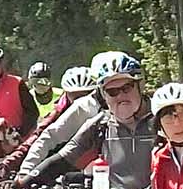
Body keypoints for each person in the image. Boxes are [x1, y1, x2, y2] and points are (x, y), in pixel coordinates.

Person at [20, 53, 158, 189]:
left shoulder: (164, 120)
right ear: (102, 94)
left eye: (126, 88)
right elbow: (62, 159)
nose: (120, 97)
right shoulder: (101, 123)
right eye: (112, 92)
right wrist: (23, 181)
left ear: (140, 85)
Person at [14, 50, 124, 180]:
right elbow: (48, 137)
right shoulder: (83, 106)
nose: (79, 100)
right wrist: (25, 171)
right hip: (80, 168)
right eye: (74, 96)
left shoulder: (134, 106)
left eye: (125, 87)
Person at [0, 45, 39, 137]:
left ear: (2, 64)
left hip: (19, 139)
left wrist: (20, 133)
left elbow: (32, 112)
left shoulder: (17, 83)